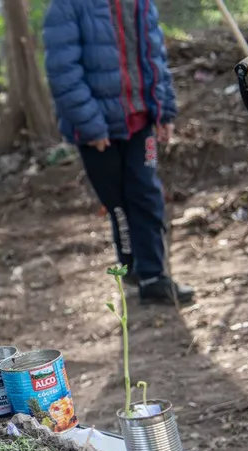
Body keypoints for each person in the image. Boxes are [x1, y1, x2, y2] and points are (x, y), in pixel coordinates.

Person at [43, 0, 194, 305]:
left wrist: (164, 110)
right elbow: (63, 73)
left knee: (147, 195)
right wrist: (91, 126)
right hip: (98, 132)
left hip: (141, 123)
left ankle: (153, 276)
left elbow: (156, 57)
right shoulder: (68, 6)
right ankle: (131, 267)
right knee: (118, 204)